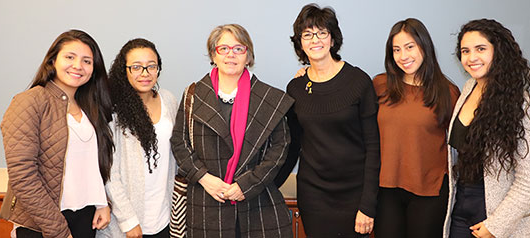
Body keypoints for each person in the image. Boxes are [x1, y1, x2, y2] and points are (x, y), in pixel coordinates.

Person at [170, 23, 294, 238]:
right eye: (223, 49)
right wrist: (204, 178)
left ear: (248, 56)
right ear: (213, 55)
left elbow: (280, 149)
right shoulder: (194, 94)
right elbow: (180, 143)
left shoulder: (270, 98)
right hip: (207, 201)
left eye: (239, 48)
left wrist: (245, 185)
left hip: (258, 202)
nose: (231, 55)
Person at [274, 4, 380, 237]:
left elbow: (373, 147)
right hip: (314, 195)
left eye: (322, 32)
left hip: (354, 194)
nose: (315, 40)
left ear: (333, 39)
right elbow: (292, 146)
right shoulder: (296, 88)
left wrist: (368, 205)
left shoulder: (358, 81)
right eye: (308, 34)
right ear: (300, 43)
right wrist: (270, 185)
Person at [0, 29, 113, 238]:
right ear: (52, 61)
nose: (78, 66)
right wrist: (58, 230)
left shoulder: (90, 107)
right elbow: (22, 174)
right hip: (42, 222)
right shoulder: (29, 101)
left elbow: (91, 163)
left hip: (85, 217)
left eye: (87, 61)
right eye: (70, 57)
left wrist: (101, 202)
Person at [443, 19, 530, 238]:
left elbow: (529, 183)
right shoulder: (468, 88)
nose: (471, 58)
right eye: (465, 51)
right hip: (461, 209)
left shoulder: (524, 106)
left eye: (480, 49)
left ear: (499, 51)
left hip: (499, 215)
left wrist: (496, 225)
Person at [372, 18, 460, 238]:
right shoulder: (379, 85)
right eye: (396, 49)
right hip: (385, 190)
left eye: (410, 47)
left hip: (430, 191)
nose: (403, 56)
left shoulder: (447, 92)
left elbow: (463, 143)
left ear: (424, 46)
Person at [97, 39, 178, 238]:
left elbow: (177, 155)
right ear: (124, 70)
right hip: (124, 222)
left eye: (151, 66)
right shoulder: (112, 109)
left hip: (164, 217)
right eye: (136, 67)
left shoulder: (168, 99)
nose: (145, 73)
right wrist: (128, 220)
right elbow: (108, 170)